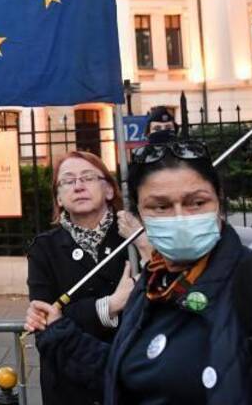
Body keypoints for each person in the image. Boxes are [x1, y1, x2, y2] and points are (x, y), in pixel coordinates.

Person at [26, 140, 252, 403]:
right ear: (141, 211)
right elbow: (126, 377)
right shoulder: (153, 284)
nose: (180, 217)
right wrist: (59, 333)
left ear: (219, 202)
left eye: (196, 202)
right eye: (160, 206)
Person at [26, 151, 149, 405]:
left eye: (88, 177)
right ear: (58, 198)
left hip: (130, 380)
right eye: (68, 181)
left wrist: (144, 244)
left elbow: (160, 305)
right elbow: (46, 323)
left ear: (109, 190)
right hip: (69, 387)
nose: (78, 186)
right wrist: (112, 305)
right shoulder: (44, 248)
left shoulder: (134, 237)